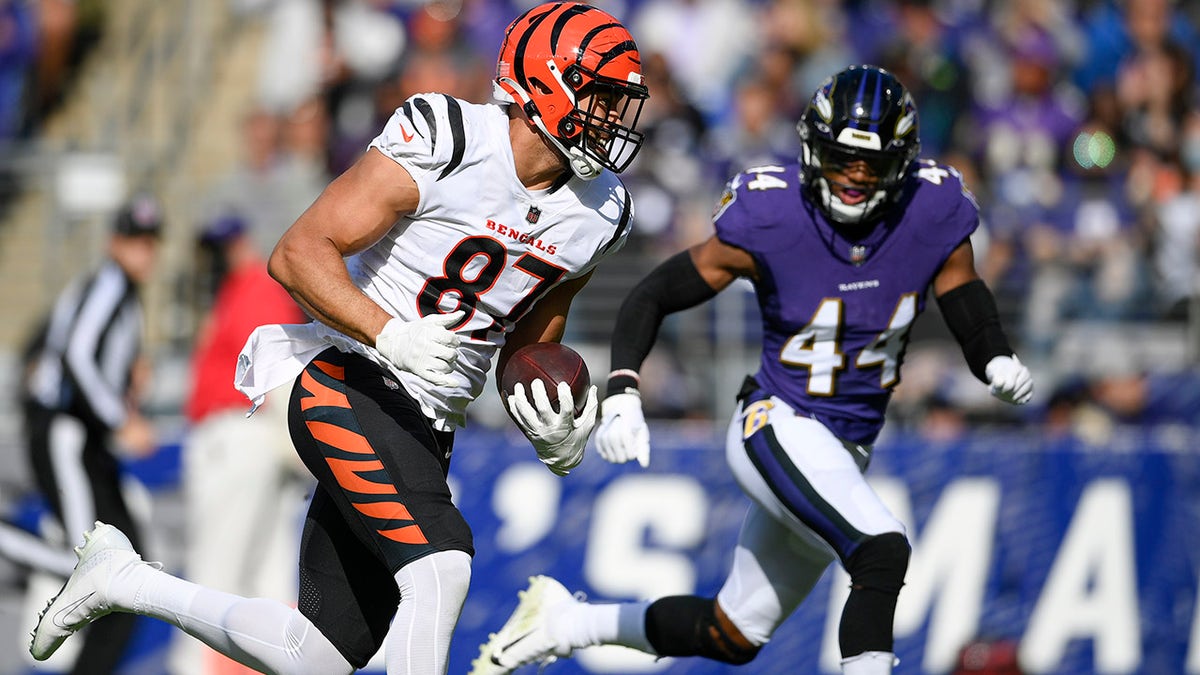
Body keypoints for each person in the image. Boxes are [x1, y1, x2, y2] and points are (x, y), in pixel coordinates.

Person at [28, 3, 649, 675]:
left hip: (428, 424)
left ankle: (123, 579)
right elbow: (297, 252)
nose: (613, 117)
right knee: (441, 567)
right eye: (603, 96)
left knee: (318, 655)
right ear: (544, 85)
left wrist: (551, 426)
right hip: (347, 376)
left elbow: (528, 342)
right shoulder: (450, 139)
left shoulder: (600, 213)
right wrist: (390, 333)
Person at [473, 65, 1034, 675]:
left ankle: (567, 622)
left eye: (870, 165)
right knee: (881, 548)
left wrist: (993, 355)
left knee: (733, 634)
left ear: (900, 164)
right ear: (813, 147)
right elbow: (654, 293)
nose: (853, 178)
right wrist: (625, 389)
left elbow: (962, 287)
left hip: (846, 446)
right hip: (777, 421)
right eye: (842, 157)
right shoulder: (773, 215)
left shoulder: (932, 209)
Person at [0, 193, 163, 675]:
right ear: (115, 242)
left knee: (128, 578)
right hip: (66, 435)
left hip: (85, 443)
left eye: (151, 241)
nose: (144, 251)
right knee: (94, 571)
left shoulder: (120, 291)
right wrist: (120, 418)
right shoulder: (110, 283)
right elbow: (76, 355)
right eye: (135, 239)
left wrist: (127, 384)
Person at [169, 213, 310, 675]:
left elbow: (275, 373)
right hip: (252, 441)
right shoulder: (239, 288)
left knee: (216, 579)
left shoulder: (253, 286)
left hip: (240, 437)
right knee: (264, 584)